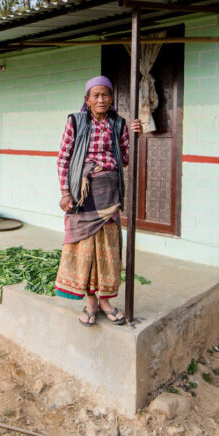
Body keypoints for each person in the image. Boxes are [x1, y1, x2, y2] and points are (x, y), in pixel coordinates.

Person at [54, 75, 143, 326]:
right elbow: (63, 158)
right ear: (87, 100)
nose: (101, 99)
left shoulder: (118, 123)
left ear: (112, 98)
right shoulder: (76, 121)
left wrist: (137, 136)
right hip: (84, 194)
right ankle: (91, 302)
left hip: (110, 194)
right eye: (96, 95)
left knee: (108, 250)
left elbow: (125, 159)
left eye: (106, 95)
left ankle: (106, 301)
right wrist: (65, 193)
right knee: (87, 249)